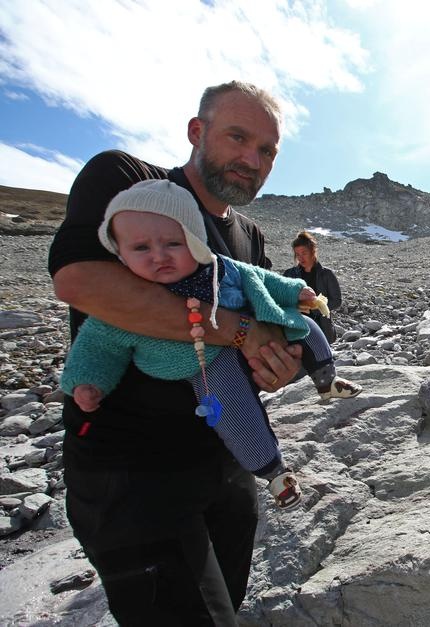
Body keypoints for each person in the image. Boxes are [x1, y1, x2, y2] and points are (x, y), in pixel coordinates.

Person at [47, 81, 308, 623]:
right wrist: (240, 331)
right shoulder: (127, 183)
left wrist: (277, 364)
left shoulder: (249, 235)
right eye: (238, 137)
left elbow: (261, 330)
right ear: (197, 131)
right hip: (132, 469)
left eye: (267, 150)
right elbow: (79, 280)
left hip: (223, 458)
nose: (252, 159)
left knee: (226, 604)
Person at [59, 180, 361, 511]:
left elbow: (263, 279)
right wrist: (88, 381)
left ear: (195, 240)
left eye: (174, 243)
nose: (159, 256)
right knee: (236, 414)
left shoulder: (221, 267)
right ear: (119, 252)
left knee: (301, 324)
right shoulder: (126, 301)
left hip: (251, 342)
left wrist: (295, 291)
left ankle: (326, 379)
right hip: (207, 365)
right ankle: (275, 473)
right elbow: (97, 344)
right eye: (141, 248)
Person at [284, 230, 342, 344]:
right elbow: (282, 299)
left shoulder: (327, 274)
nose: (301, 258)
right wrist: (297, 305)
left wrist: (317, 307)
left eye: (304, 253)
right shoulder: (289, 274)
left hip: (322, 329)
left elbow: (337, 301)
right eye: (297, 254)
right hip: (297, 328)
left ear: (313, 251)